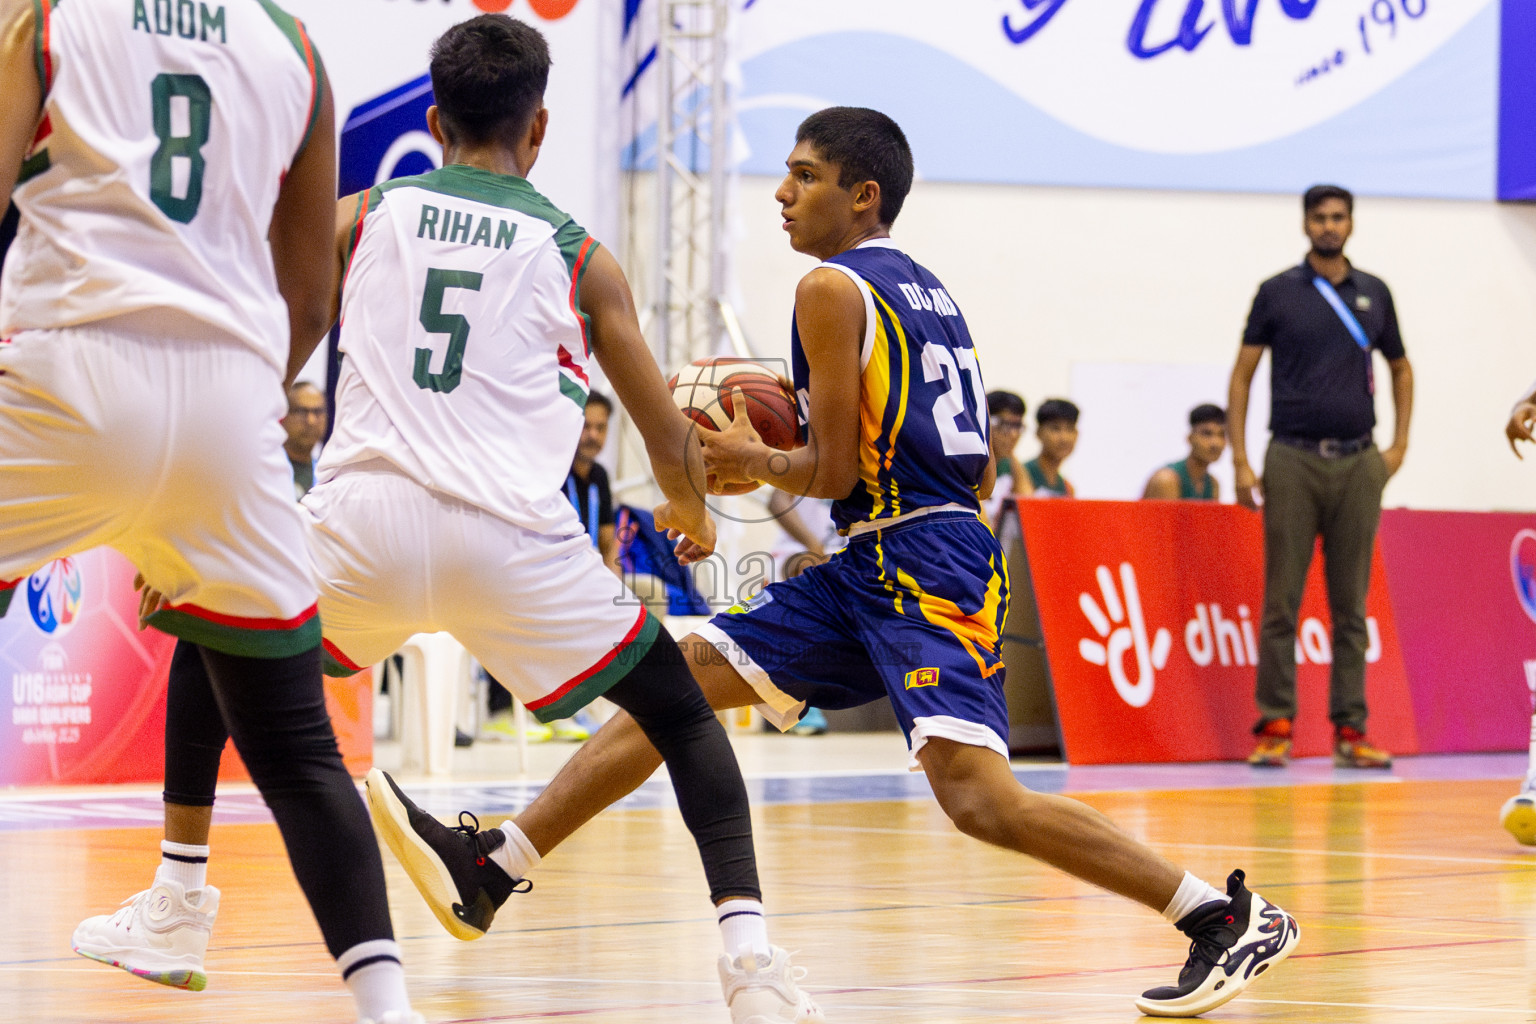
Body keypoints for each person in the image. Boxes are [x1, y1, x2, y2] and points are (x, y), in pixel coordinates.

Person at [396, 106, 1300, 1019]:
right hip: (889, 551)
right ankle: (495, 866)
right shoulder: (928, 290)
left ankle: (1222, 916)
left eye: (804, 176)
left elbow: (828, 470)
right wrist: (772, 455)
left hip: (920, 557)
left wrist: (743, 461)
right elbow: (915, 457)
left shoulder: (829, 290)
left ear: (862, 195)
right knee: (672, 684)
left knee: (978, 800)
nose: (783, 195)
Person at [77, 16, 822, 1024]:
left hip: (360, 529)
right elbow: (662, 438)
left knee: (210, 639)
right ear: (541, 128)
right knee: (683, 717)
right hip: (511, 543)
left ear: (433, 120)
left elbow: (264, 342)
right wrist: (692, 510)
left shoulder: (364, 211)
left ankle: (176, 900)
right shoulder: (582, 256)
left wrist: (195, 515)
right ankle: (752, 965)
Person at [0, 2, 422, 1021]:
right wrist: (220, 433)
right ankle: (388, 1006)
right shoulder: (297, 48)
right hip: (231, 408)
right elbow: (313, 301)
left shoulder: (49, 21)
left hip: (64, 375)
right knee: (299, 752)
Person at [1229, 183, 1413, 770]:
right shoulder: (1277, 293)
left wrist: (1399, 445)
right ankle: (1276, 724)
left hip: (1361, 461)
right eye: (1319, 217)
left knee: (1351, 607)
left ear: (1351, 224)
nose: (1329, 226)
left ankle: (1351, 730)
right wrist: (1239, 458)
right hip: (1292, 458)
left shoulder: (1375, 292)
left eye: (1338, 217)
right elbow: (1242, 377)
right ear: (1306, 224)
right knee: (1281, 601)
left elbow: (1402, 369)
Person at [1143, 404, 1226, 501]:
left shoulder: (1212, 484)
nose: (1215, 443)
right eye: (1207, 434)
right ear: (1190, 438)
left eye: (1222, 435)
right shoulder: (1167, 480)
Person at [982, 390, 1031, 526]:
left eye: (1017, 426)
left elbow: (1028, 506)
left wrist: (1011, 452)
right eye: (1005, 425)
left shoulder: (1010, 466)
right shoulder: (972, 463)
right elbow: (981, 521)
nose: (1014, 434)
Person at [282, 380, 329, 498]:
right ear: (284, 415)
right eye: (302, 411)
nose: (311, 421)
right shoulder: (268, 467)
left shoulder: (328, 476)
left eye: (317, 412)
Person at [1024, 398, 1078, 498]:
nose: (1064, 438)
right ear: (1038, 433)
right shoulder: (1021, 474)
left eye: (1070, 429)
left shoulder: (1068, 489)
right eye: (1055, 428)